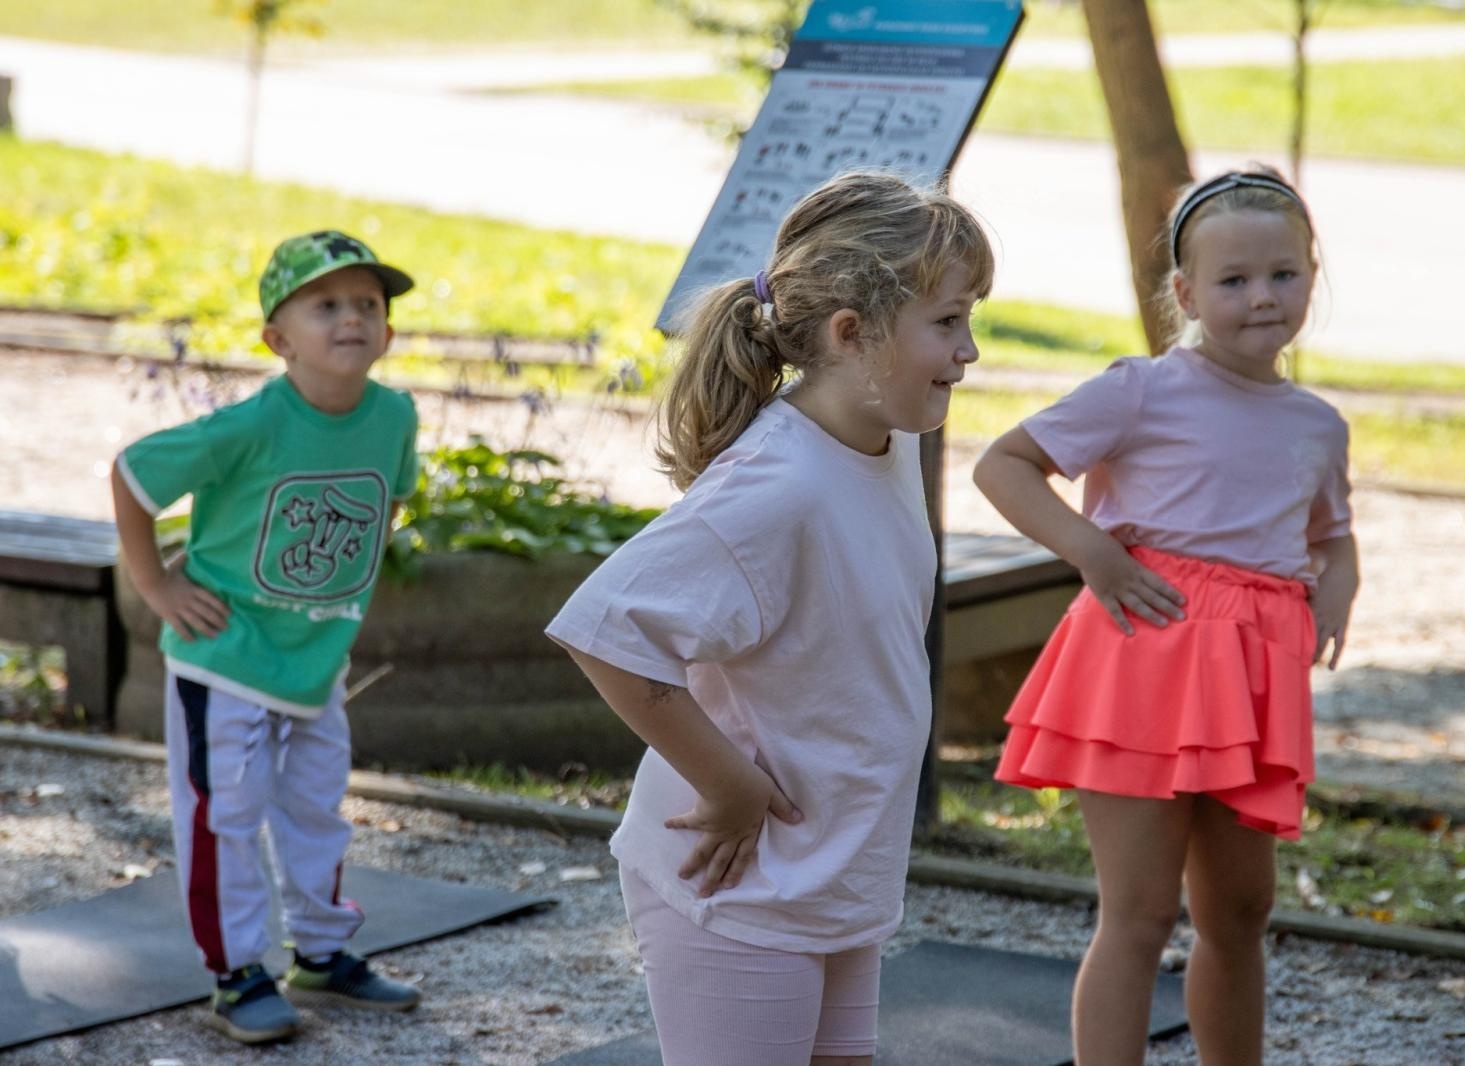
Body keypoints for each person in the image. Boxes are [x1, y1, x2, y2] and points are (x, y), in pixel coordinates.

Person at [546, 171, 992, 1066]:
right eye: (948, 322)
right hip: (740, 886)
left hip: (830, 870)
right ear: (851, 335)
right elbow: (605, 630)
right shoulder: (775, 488)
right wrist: (729, 785)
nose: (970, 350)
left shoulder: (887, 440)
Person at [973, 167, 1359, 1066]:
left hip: (1254, 679)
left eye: (1284, 275)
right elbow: (1005, 465)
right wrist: (1095, 553)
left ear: (1312, 273)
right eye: (1232, 281)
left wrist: (1339, 582)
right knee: (1140, 912)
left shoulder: (1318, 424)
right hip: (1143, 660)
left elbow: (1331, 534)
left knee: (1239, 910)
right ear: (1185, 292)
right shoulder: (1141, 389)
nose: (1262, 298)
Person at [111, 231, 424, 1044]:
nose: (353, 318)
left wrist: (333, 601)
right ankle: (236, 970)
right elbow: (134, 474)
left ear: (387, 331)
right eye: (326, 305)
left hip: (314, 663)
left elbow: (386, 501)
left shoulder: (394, 415)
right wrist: (156, 585)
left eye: (368, 304)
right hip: (227, 661)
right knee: (226, 817)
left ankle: (321, 952)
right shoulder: (246, 428)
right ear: (277, 340)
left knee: (320, 810)